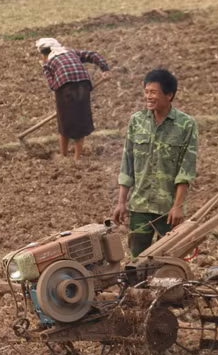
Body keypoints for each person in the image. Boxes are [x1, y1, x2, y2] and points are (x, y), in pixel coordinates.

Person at [112, 68, 198, 259]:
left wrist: (178, 206)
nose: (148, 97)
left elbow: (186, 169)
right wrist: (121, 202)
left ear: (169, 95)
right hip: (139, 206)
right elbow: (127, 164)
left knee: (167, 260)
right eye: (146, 92)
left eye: (153, 92)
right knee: (136, 260)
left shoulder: (186, 125)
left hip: (168, 210)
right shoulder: (137, 121)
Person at [34, 38, 111, 162]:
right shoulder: (70, 52)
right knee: (80, 121)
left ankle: (63, 156)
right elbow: (93, 54)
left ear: (44, 54)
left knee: (64, 124)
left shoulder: (47, 63)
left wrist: (45, 67)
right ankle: (77, 159)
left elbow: (52, 85)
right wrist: (105, 69)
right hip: (84, 85)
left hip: (65, 89)